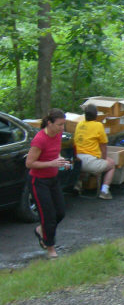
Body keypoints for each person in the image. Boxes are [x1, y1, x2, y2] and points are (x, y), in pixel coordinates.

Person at [25, 109, 71, 259]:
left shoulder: (57, 135)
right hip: (38, 181)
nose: (62, 128)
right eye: (59, 125)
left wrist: (61, 160)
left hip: (53, 178)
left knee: (60, 212)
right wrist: (51, 163)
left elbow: (55, 153)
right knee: (48, 216)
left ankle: (41, 230)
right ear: (49, 123)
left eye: (63, 124)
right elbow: (29, 163)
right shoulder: (39, 140)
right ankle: (50, 247)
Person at [74, 104, 115, 200]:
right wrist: (104, 159)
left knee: (83, 166)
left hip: (77, 159)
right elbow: (103, 146)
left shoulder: (79, 124)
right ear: (96, 115)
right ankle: (104, 191)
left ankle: (78, 185)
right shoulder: (98, 125)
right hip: (90, 161)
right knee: (111, 164)